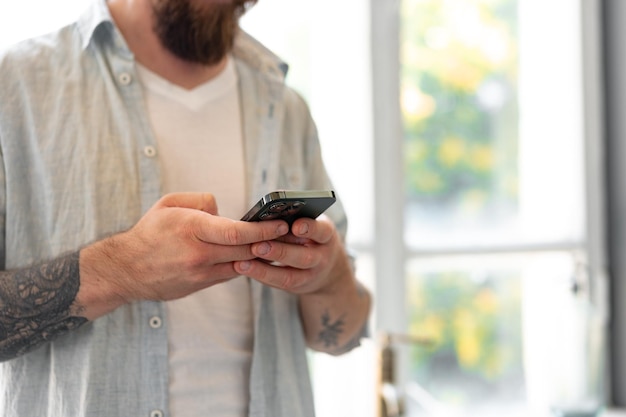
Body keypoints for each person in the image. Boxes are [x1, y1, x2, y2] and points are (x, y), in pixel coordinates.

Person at [0, 0, 372, 416]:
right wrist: (123, 270)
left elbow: (340, 337)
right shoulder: (15, 87)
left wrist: (329, 277)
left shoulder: (285, 107)